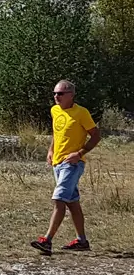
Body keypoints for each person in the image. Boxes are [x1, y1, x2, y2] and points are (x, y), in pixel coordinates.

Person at [31, 80, 101, 255]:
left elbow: (95, 135)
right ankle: (82, 241)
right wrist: (51, 150)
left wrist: (80, 153)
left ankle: (47, 240)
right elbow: (57, 132)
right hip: (58, 163)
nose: (56, 97)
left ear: (71, 95)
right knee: (72, 203)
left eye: (60, 94)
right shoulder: (55, 111)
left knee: (59, 199)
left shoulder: (81, 113)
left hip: (72, 164)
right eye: (55, 93)